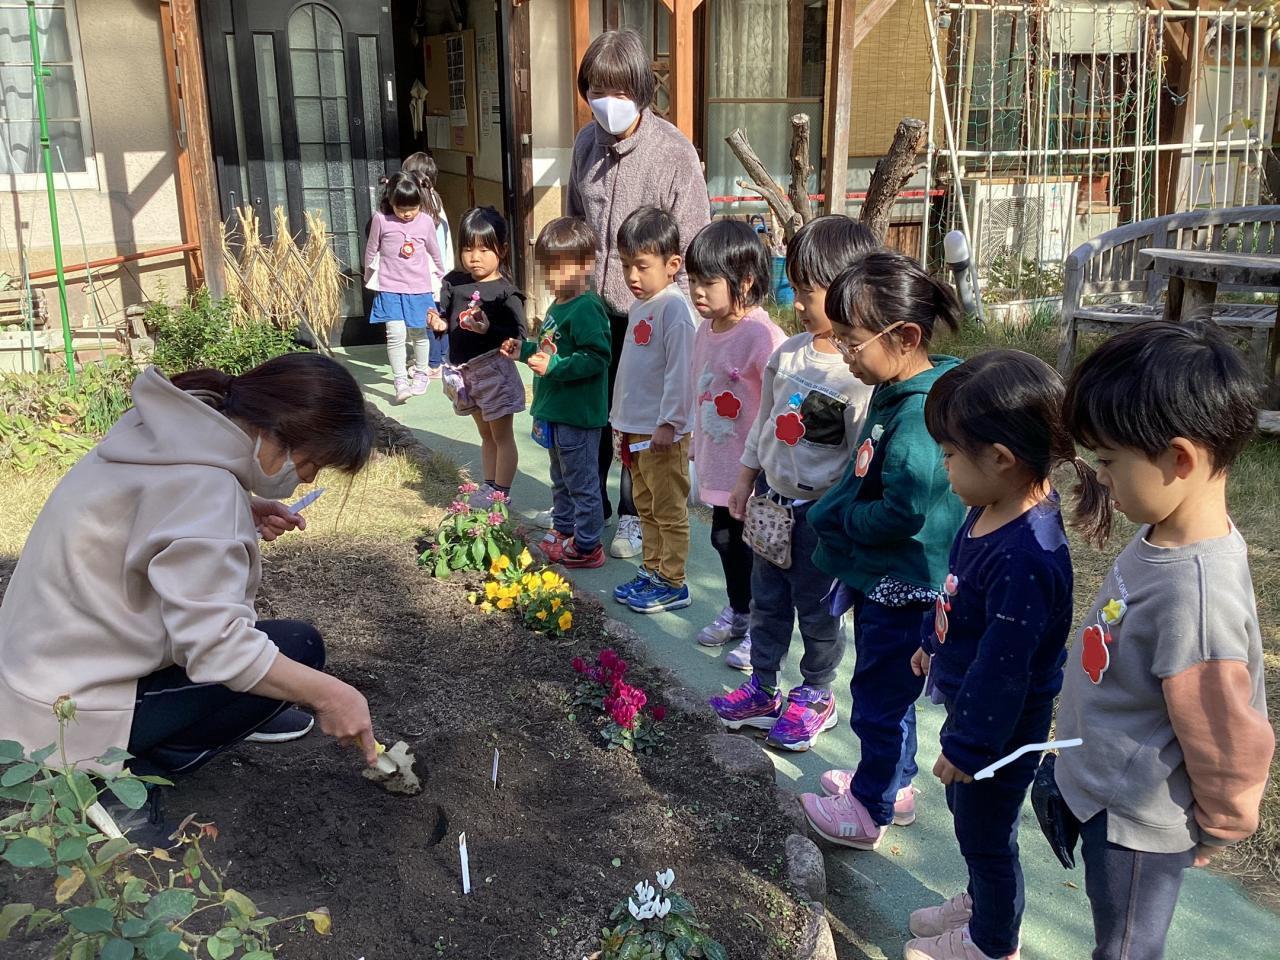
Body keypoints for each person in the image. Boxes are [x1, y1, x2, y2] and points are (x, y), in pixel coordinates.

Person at [0, 354, 379, 840]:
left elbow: (150, 515)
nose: (305, 479)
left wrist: (242, 506)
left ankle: (198, 717)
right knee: (300, 651)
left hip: (31, 673)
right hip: (67, 710)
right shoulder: (205, 491)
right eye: (312, 463)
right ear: (277, 431)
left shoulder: (161, 431)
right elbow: (218, 647)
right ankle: (115, 774)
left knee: (277, 668)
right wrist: (333, 695)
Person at [1051, 321, 1274, 960]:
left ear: (1179, 459)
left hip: (1139, 823)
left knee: (1125, 946)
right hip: (1108, 786)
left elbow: (1226, 728)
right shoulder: (1164, 531)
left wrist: (1224, 820)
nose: (1101, 477)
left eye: (1108, 461)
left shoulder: (1195, 595)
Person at [899, 351, 1111, 960]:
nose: (943, 466)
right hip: (977, 706)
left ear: (1000, 458)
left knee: (986, 832)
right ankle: (980, 902)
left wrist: (970, 747)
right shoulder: (989, 507)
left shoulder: (1028, 555)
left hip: (1002, 724)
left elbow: (1005, 664)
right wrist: (932, 642)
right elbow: (957, 592)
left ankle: (993, 942)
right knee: (967, 811)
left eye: (949, 454)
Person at [799, 251, 965, 849]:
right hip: (899, 578)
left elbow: (905, 509)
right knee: (895, 695)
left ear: (906, 337)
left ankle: (869, 810)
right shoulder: (899, 389)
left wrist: (843, 516)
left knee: (876, 700)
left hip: (902, 584)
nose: (844, 352)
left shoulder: (918, 413)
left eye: (852, 340)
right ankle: (895, 783)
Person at [708, 216, 876, 752]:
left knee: (819, 610)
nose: (797, 303)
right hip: (770, 505)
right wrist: (744, 479)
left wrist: (841, 520)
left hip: (820, 519)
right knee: (768, 600)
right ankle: (763, 687)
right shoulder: (788, 354)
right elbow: (762, 425)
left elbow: (858, 459)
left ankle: (816, 693)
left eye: (808, 291)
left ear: (851, 290)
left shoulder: (858, 375)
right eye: (795, 288)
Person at [567, 28, 711, 560]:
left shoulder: (673, 152)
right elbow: (575, 224)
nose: (608, 102)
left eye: (621, 91)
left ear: (643, 92)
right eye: (597, 90)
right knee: (591, 415)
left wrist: (690, 319)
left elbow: (693, 242)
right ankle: (590, 508)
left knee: (639, 422)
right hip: (594, 311)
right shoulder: (585, 144)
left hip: (650, 313)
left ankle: (633, 515)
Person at [685, 220, 785, 650]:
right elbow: (699, 389)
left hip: (753, 473)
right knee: (724, 539)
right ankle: (739, 609)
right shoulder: (704, 330)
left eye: (708, 282)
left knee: (757, 550)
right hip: (719, 463)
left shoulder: (763, 336)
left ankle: (762, 624)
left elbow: (780, 402)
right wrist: (695, 442)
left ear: (744, 281)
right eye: (692, 280)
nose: (697, 291)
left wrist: (764, 465)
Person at [502, 217, 612, 568]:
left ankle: (588, 544)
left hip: (578, 414)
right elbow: (549, 349)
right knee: (561, 479)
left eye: (560, 268)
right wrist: (523, 350)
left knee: (581, 482)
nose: (552, 276)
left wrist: (555, 367)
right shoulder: (557, 306)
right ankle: (564, 529)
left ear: (586, 265)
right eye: (547, 268)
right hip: (556, 411)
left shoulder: (587, 307)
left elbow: (597, 357)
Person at [609, 206, 697, 614]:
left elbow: (681, 372)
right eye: (626, 265)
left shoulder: (674, 308)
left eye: (642, 266)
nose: (632, 276)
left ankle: (673, 581)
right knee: (645, 505)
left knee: (668, 509)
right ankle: (652, 569)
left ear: (672, 264)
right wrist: (620, 422)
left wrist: (670, 423)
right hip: (636, 430)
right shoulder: (641, 306)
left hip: (662, 433)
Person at [431, 207, 528, 507]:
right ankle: (489, 486)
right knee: (486, 435)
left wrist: (490, 330)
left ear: (503, 250)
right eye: (468, 249)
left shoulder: (505, 293)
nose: (475, 257)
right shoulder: (455, 282)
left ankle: (501, 494)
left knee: (501, 436)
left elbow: (518, 335)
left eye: (485, 250)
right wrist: (438, 324)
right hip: (464, 372)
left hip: (494, 371)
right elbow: (446, 318)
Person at [364, 171, 446, 405]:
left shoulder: (426, 221)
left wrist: (442, 276)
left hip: (419, 288)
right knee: (395, 334)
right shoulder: (381, 219)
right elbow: (371, 249)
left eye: (413, 208)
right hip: (389, 287)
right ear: (391, 201)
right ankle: (400, 381)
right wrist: (368, 276)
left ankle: (421, 373)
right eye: (401, 209)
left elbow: (434, 250)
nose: (408, 214)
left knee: (419, 332)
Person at [400, 151, 455, 373]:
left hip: (427, 274)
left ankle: (433, 364)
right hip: (440, 272)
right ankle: (442, 359)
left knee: (428, 319)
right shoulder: (434, 200)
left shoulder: (422, 208)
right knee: (439, 316)